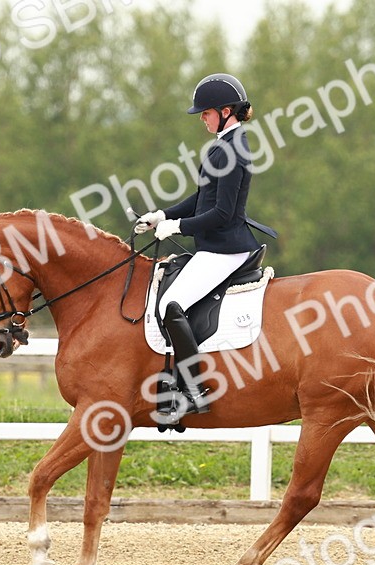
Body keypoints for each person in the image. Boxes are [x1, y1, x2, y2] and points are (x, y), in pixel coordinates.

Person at [135, 73, 265, 418]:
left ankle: (193, 391)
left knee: (171, 305)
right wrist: (161, 214)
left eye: (205, 113)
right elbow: (202, 196)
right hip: (216, 244)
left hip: (225, 247)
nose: (202, 119)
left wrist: (177, 226)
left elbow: (222, 213)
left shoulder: (232, 148)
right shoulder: (225, 144)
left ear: (226, 111)